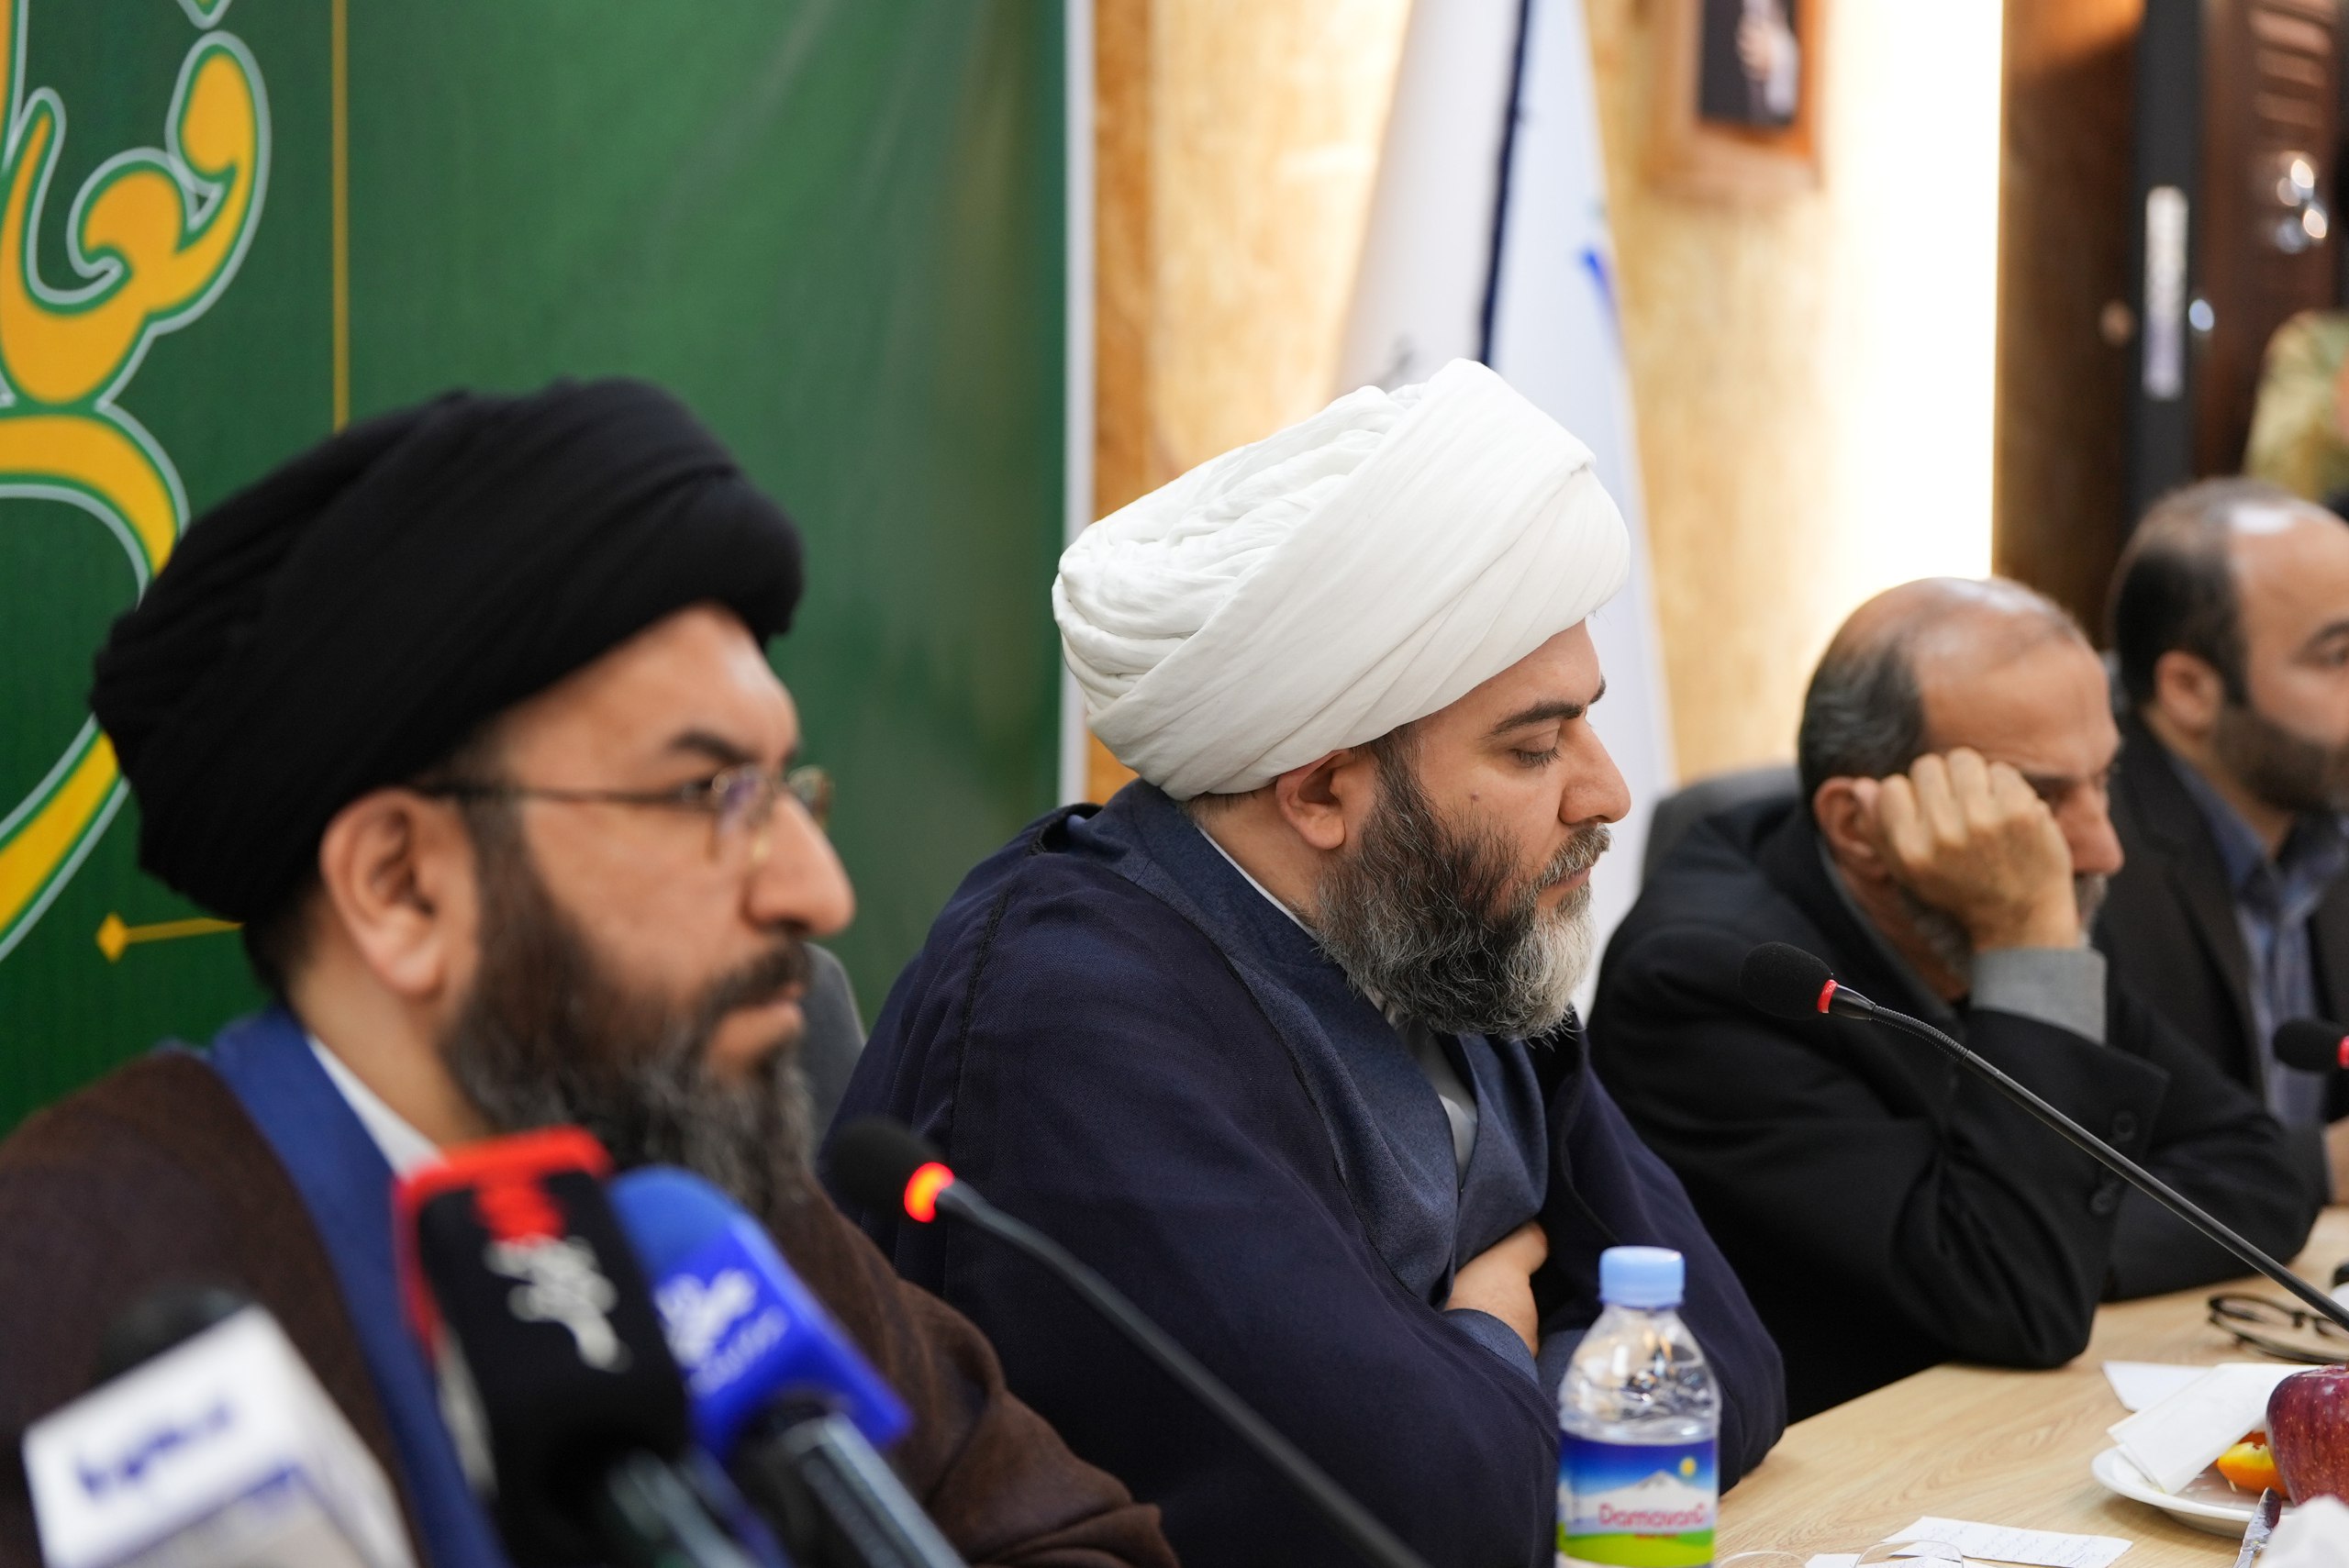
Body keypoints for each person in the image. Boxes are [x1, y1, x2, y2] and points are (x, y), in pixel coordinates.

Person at [0, 382, 1174, 1568]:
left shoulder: (700, 1205)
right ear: (401, 885)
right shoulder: (59, 1275)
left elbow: (1071, 1538)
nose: (817, 891)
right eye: (708, 795)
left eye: (784, 790)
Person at [826, 361, 1786, 1568]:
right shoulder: (1074, 1015)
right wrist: (1496, 1326)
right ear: (1325, 790)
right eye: (1535, 747)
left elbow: (1724, 1361)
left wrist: (1475, 1403)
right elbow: (1413, 1515)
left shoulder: (1447, 931)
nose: (1606, 792)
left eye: (1584, 722)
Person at [1589, 577, 2322, 1421]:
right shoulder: (1708, 982)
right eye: (2037, 796)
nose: (2103, 847)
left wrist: (2058, 1236)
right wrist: (2025, 941)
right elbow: (2017, 1296)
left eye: (2104, 780)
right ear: (1858, 825)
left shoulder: (2023, 885)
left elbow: (2256, 1168)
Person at [2103, 479, 2349, 1195]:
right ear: (2189, 689)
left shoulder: (2321, 806)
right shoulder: (2086, 864)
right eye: (2338, 656)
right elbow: (2088, 1187)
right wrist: (2316, 1166)